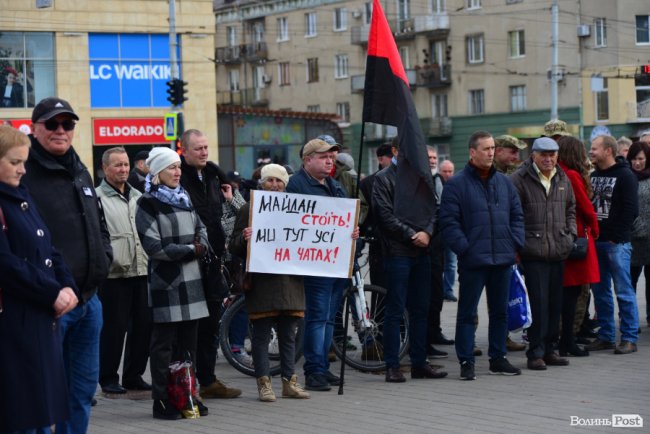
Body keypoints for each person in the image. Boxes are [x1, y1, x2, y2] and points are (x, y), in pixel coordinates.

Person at [22, 97, 113, 434]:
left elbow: (97, 221)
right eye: (52, 124)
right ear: (34, 128)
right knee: (41, 397)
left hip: (89, 301)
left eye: (68, 124)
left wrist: (104, 258)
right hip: (48, 305)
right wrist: (49, 289)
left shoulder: (79, 167)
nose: (61, 131)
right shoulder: (23, 171)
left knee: (81, 393)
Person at [0, 125, 78, 433]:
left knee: (41, 415)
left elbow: (49, 246)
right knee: (21, 417)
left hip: (39, 322)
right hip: (14, 329)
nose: (22, 170)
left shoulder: (21, 195)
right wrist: (52, 292)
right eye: (14, 162)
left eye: (24, 162)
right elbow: (6, 263)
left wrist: (68, 285)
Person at [439, 131, 524, 381]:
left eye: (493, 148)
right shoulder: (456, 184)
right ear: (472, 152)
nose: (491, 153)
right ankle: (466, 361)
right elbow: (449, 222)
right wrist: (465, 249)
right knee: (467, 313)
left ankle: (498, 358)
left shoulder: (505, 183)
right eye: (486, 148)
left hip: (502, 260)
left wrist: (514, 243)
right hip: (474, 261)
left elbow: (517, 216)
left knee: (500, 313)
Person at [135, 146, 210, 420]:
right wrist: (192, 250)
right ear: (157, 172)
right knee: (163, 346)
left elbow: (201, 228)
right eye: (171, 167)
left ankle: (188, 394)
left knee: (189, 345)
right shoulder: (147, 202)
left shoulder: (184, 197)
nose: (177, 172)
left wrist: (200, 243)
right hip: (166, 284)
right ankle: (162, 400)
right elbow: (153, 246)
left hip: (192, 281)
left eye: (178, 167)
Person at [231, 164, 310, 402]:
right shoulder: (249, 209)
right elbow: (233, 245)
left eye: (279, 181)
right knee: (262, 335)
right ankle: (264, 383)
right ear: (261, 183)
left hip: (291, 280)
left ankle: (289, 382)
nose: (274, 185)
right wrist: (244, 239)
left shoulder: (298, 209)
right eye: (269, 181)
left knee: (288, 334)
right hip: (263, 281)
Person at [286, 138, 359, 391]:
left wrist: (352, 231)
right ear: (308, 160)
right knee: (317, 318)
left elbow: (344, 219)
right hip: (314, 264)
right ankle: (314, 371)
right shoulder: (296, 185)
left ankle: (323, 368)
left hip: (336, 262)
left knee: (329, 318)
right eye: (324, 157)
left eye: (332, 157)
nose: (330, 161)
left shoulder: (335, 185)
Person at [373, 139, 448, 383]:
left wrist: (427, 232)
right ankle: (392, 365)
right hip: (397, 252)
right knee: (395, 310)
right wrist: (411, 235)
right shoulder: (384, 178)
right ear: (395, 151)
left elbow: (436, 208)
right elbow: (383, 214)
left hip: (422, 252)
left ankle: (419, 362)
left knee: (421, 309)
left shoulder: (421, 176)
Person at [179, 129, 242, 400]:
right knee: (189, 328)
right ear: (184, 150)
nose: (204, 152)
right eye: (198, 149)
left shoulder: (215, 178)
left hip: (215, 262)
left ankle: (208, 379)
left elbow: (222, 217)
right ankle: (187, 382)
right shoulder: (178, 177)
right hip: (190, 262)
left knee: (211, 325)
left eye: (206, 147)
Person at [511, 137, 576, 370]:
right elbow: (512, 215)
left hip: (558, 250)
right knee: (538, 305)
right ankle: (535, 352)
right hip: (533, 251)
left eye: (552, 155)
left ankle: (550, 349)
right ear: (533, 155)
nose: (548, 159)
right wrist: (521, 244)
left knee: (554, 304)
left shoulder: (562, 177)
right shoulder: (519, 178)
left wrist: (570, 235)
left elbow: (571, 208)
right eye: (544, 155)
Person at [96, 147, 152, 394]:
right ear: (105, 168)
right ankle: (108, 378)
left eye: (126, 164)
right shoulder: (96, 198)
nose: (123, 169)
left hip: (141, 270)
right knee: (113, 329)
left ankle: (134, 375)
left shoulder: (138, 196)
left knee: (143, 327)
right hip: (114, 274)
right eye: (118, 165)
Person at [587, 135, 639, 354]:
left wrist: (616, 237)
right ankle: (607, 336)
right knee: (600, 292)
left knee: (624, 292)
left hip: (616, 244)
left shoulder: (625, 175)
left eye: (594, 148)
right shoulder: (594, 175)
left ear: (608, 151)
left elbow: (631, 210)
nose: (591, 152)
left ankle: (629, 338)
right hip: (596, 243)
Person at [556, 136, 600, 357]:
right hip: (577, 237)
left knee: (566, 292)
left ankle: (563, 339)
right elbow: (585, 207)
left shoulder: (558, 171)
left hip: (562, 237)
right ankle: (567, 341)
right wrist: (595, 228)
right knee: (573, 293)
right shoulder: (572, 174)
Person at [492, 134, 529, 353]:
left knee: (505, 292)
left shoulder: (515, 174)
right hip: (489, 242)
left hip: (509, 241)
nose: (516, 155)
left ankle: (503, 336)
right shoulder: (490, 174)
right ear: (498, 151)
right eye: (512, 151)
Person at [626, 141, 650, 327]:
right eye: (634, 159)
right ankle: (631, 320)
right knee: (630, 281)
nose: (637, 163)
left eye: (640, 159)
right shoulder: (627, 177)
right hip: (632, 238)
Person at [439, 160, 458, 302]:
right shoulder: (436, 184)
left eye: (450, 171)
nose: (447, 174)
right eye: (445, 171)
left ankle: (448, 290)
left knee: (451, 263)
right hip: (438, 232)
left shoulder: (457, 185)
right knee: (438, 264)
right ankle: (439, 289)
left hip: (452, 231)